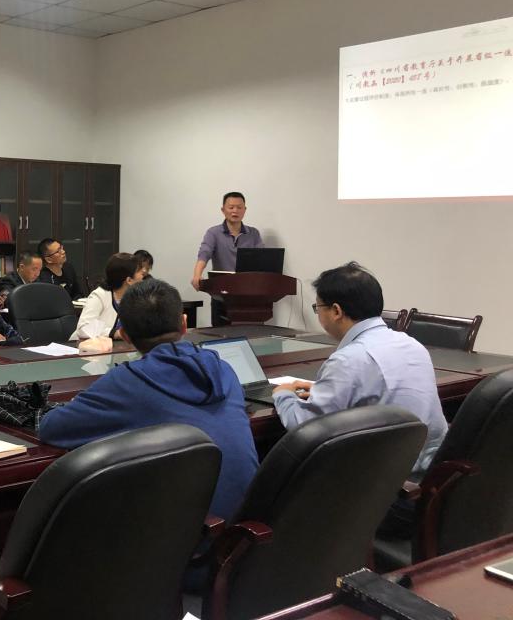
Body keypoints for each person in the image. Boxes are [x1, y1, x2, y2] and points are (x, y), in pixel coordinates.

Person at [38, 279, 258, 522]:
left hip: (186, 536)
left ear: (124, 335)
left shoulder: (127, 382)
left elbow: (51, 427)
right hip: (244, 529)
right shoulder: (224, 369)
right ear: (184, 324)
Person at [272, 262, 447, 476]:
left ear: (336, 311)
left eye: (318, 308)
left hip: (379, 480)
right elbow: (382, 391)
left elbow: (306, 427)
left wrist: (283, 395)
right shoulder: (410, 344)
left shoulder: (348, 360)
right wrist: (323, 389)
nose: (318, 314)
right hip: (429, 470)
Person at [191, 192, 264, 325]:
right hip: (222, 295)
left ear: (245, 210)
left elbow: (262, 259)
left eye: (239, 207)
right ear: (223, 210)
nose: (235, 211)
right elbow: (204, 253)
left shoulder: (253, 233)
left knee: (252, 334)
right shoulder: (213, 233)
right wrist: (197, 275)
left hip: (249, 295)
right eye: (231, 207)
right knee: (221, 335)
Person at [75, 252, 146, 340]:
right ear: (129, 280)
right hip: (82, 346)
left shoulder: (134, 297)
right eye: (139, 271)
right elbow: (83, 329)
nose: (143, 273)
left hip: (117, 346)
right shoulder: (100, 296)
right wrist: (114, 333)